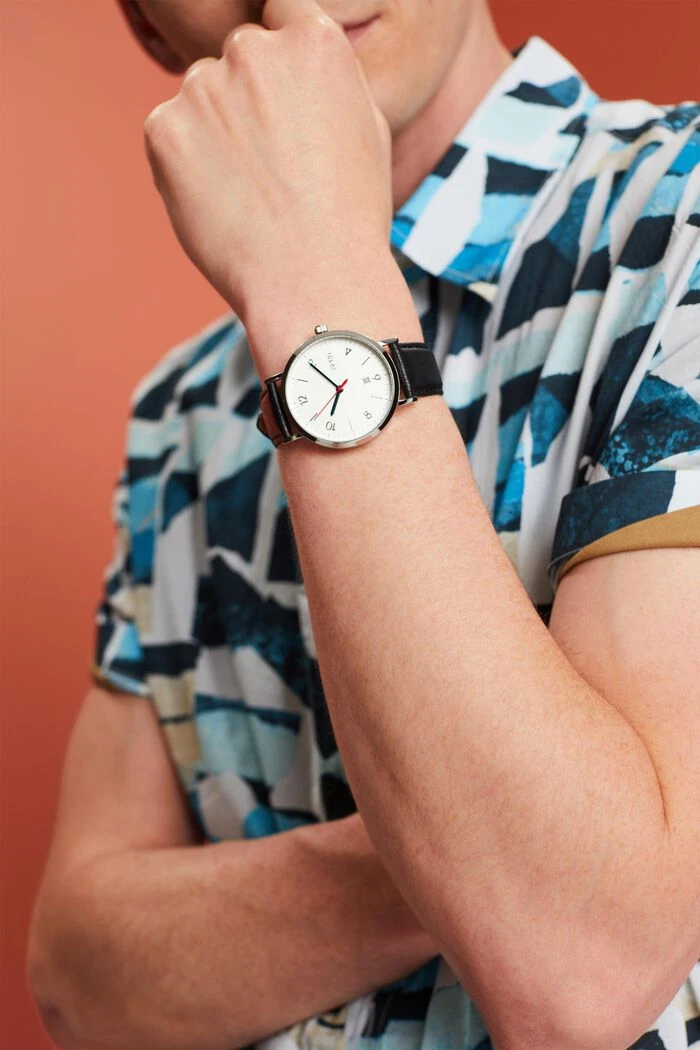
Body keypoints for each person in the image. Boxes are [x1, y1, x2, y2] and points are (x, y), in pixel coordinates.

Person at [27, 0, 700, 1047]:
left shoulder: (678, 223)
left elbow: (584, 960)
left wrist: (314, 270)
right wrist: (491, 837)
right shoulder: (182, 411)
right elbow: (77, 976)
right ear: (147, 24)